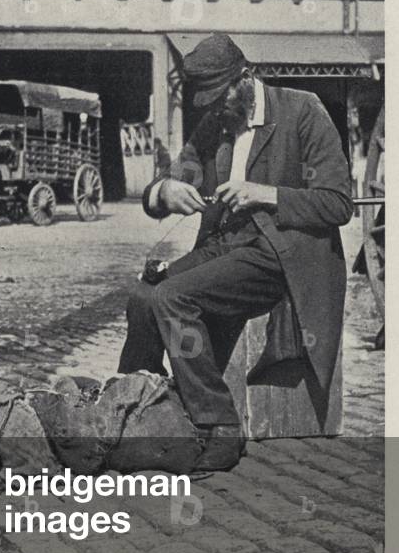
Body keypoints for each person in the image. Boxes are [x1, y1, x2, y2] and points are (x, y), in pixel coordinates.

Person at [117, 33, 353, 470]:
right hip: (227, 247)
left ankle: (218, 426)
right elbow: (168, 181)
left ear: (246, 78)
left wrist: (264, 194)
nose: (215, 108)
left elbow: (338, 204)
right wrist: (167, 191)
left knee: (173, 297)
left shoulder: (302, 111)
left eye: (220, 95)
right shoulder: (216, 125)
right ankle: (135, 408)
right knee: (143, 296)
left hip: (282, 252)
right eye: (206, 100)